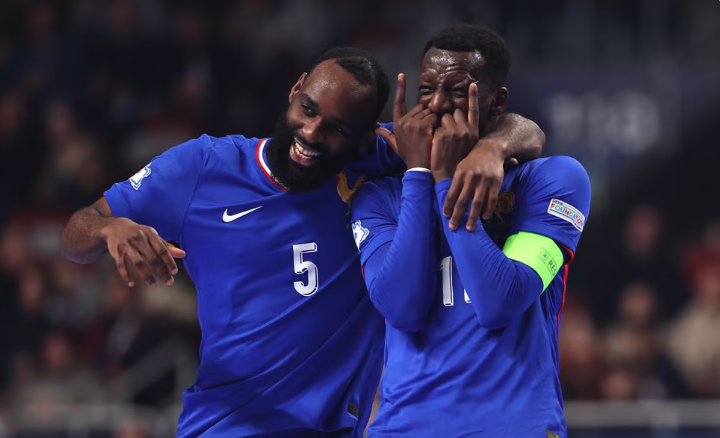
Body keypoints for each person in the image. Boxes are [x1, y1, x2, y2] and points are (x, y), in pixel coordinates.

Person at [60, 47, 544, 438]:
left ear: (365, 138)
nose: (312, 133)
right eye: (308, 109)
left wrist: (491, 148)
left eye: (336, 129)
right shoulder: (202, 167)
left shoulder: (377, 161)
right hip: (226, 425)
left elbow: (526, 130)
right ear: (295, 90)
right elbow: (75, 233)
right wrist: (109, 229)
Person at [352, 25, 591, 437]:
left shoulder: (552, 180)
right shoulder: (379, 195)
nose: (438, 104)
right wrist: (420, 175)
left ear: (497, 101)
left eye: (459, 91)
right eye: (427, 90)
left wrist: (457, 173)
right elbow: (404, 309)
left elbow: (500, 302)